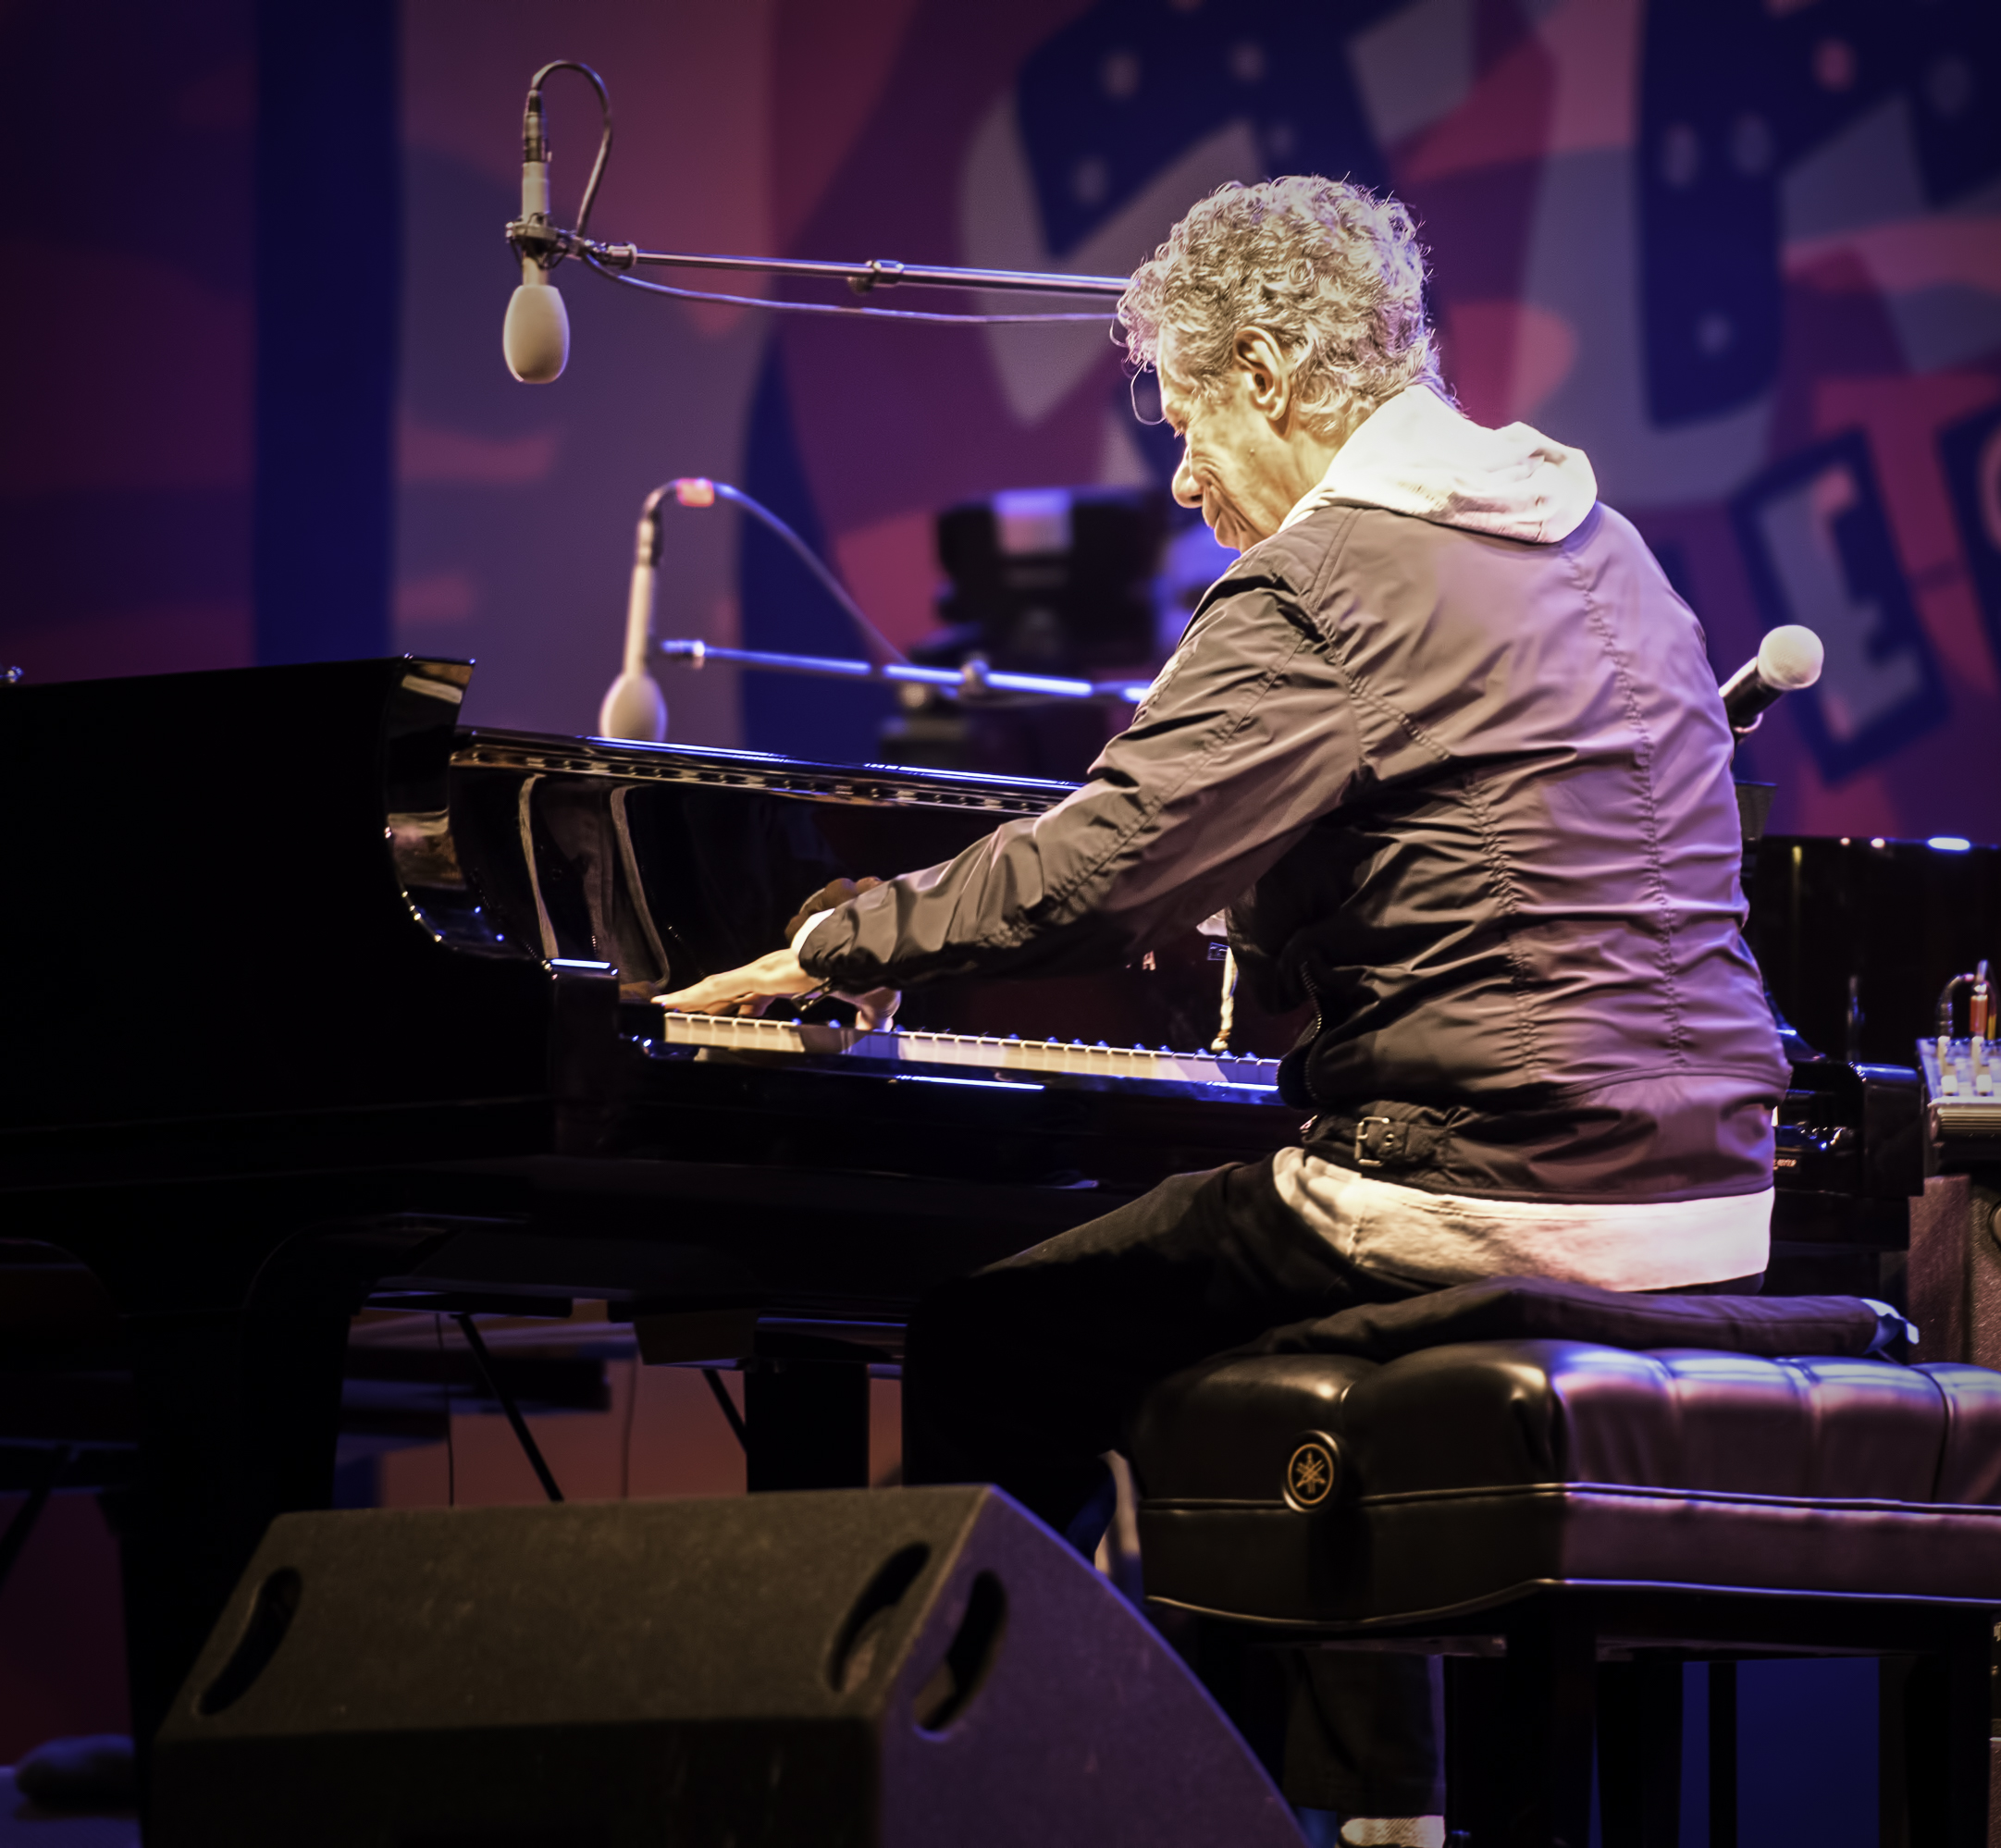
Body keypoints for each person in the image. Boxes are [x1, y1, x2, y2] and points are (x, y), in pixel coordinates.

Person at [657, 176, 1788, 1846]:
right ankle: (1374, 1798)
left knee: (990, 1336)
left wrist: (841, 941)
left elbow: (1097, 873)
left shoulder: (1333, 577)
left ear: (1264, 372)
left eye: (1188, 417)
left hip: (1479, 1194)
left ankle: (1005, 1805)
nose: (1183, 478)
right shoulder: (1607, 549)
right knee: (1248, 1318)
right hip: (1708, 1211)